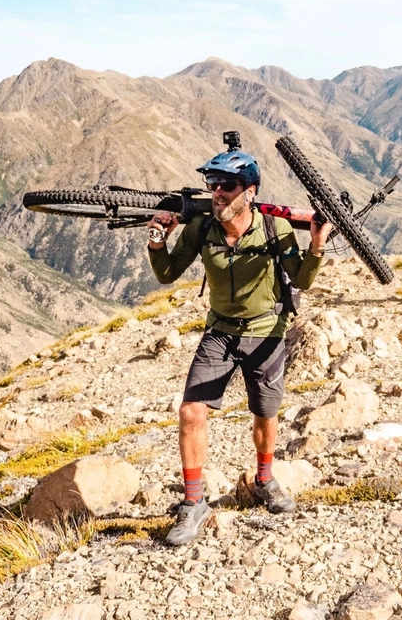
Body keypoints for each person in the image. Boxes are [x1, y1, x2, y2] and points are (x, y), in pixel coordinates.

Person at [146, 142, 331, 546]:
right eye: (212, 184)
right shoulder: (201, 228)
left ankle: (265, 478)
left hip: (267, 331)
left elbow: (300, 280)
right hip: (221, 332)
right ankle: (193, 503)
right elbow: (167, 274)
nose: (217, 192)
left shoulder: (274, 228)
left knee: (265, 413)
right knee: (191, 411)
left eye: (226, 185)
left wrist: (316, 246)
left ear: (249, 191)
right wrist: (158, 243)